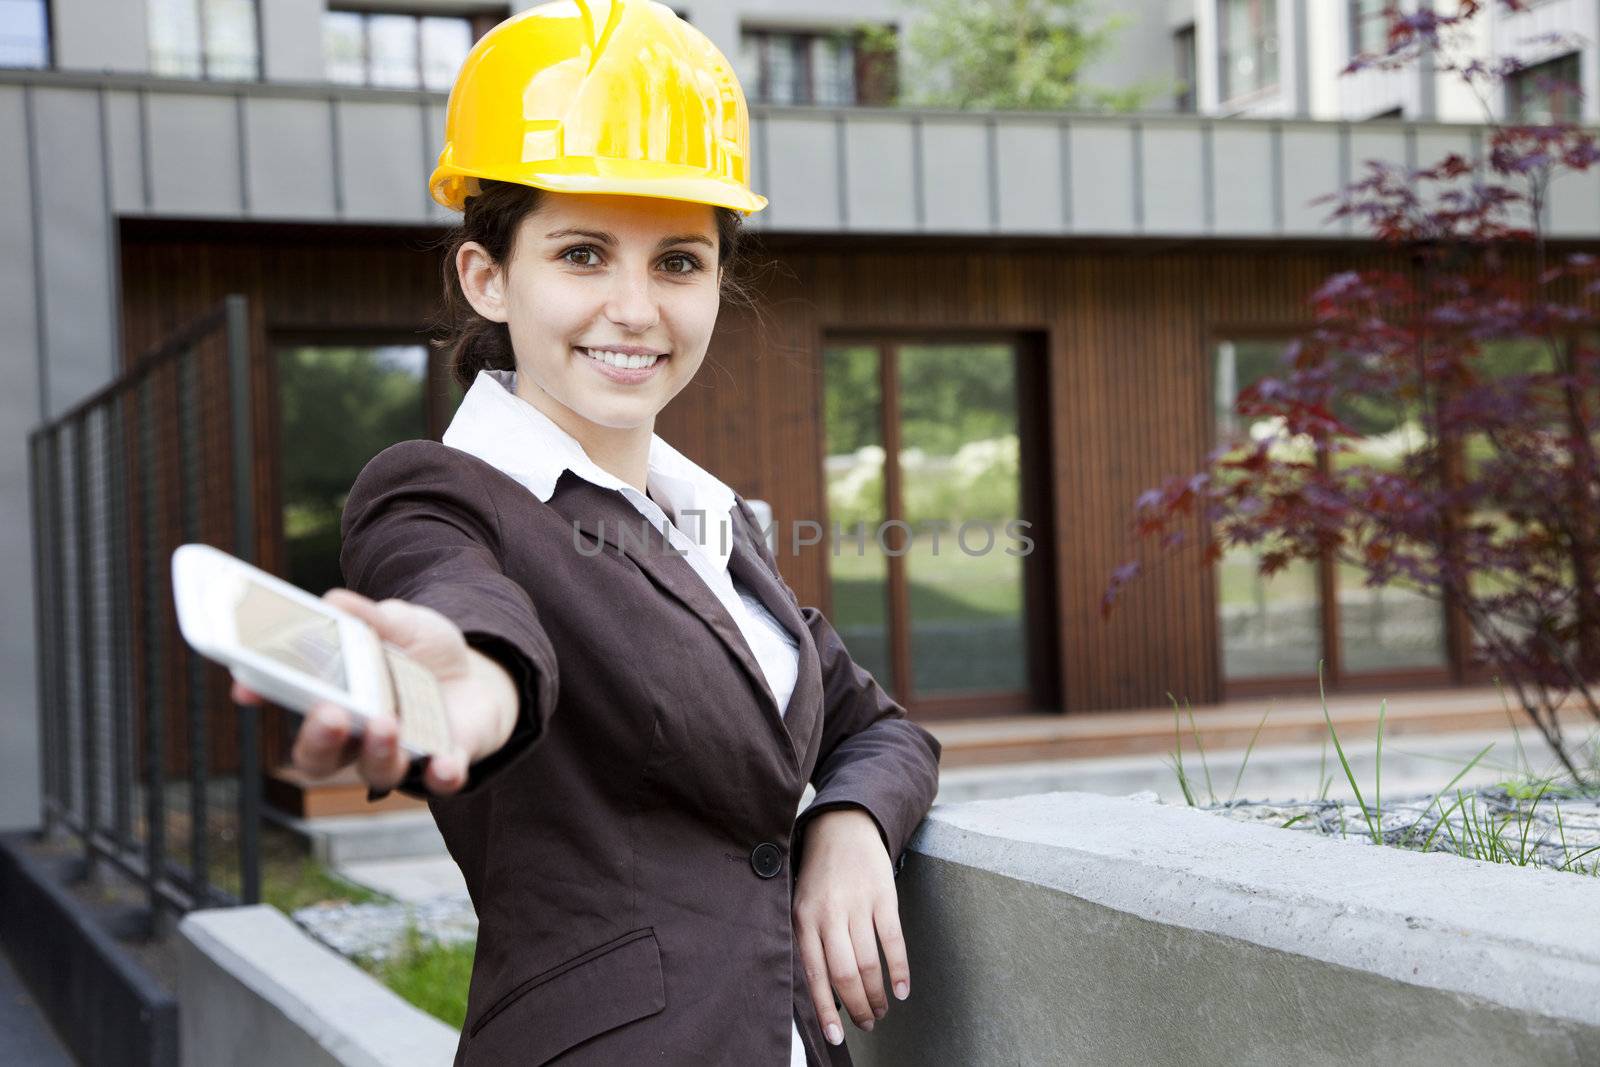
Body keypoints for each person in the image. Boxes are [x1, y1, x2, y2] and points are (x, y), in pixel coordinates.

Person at [232, 2, 942, 1064]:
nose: (634, 307)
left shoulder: (714, 524)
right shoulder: (437, 495)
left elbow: (881, 729)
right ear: (487, 277)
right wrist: (465, 688)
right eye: (581, 252)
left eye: (678, 262)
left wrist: (844, 826)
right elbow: (471, 614)